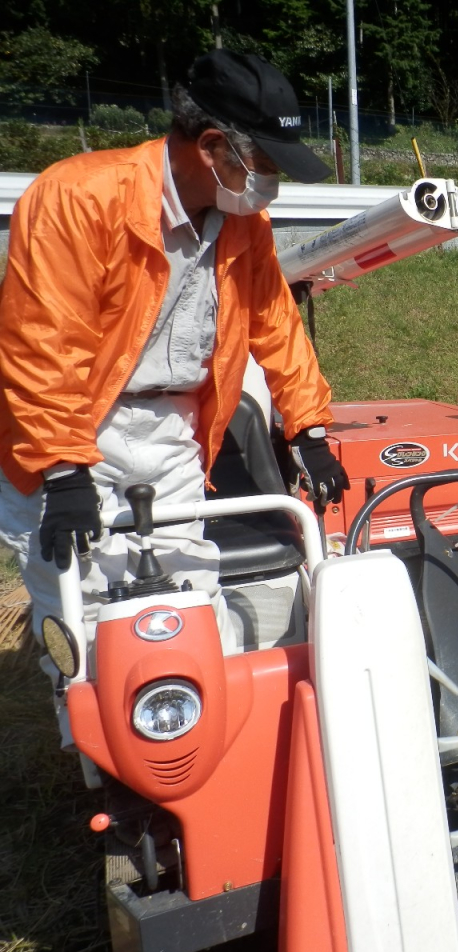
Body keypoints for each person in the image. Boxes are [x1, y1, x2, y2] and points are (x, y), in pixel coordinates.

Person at [0, 50, 349, 726]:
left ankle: (194, 761)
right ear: (213, 145)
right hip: (72, 434)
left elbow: (276, 322)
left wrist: (308, 428)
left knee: (190, 604)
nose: (268, 182)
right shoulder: (79, 198)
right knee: (90, 619)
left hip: (173, 436)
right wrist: (65, 470)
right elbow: (42, 343)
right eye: (265, 164)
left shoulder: (243, 224)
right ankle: (107, 783)